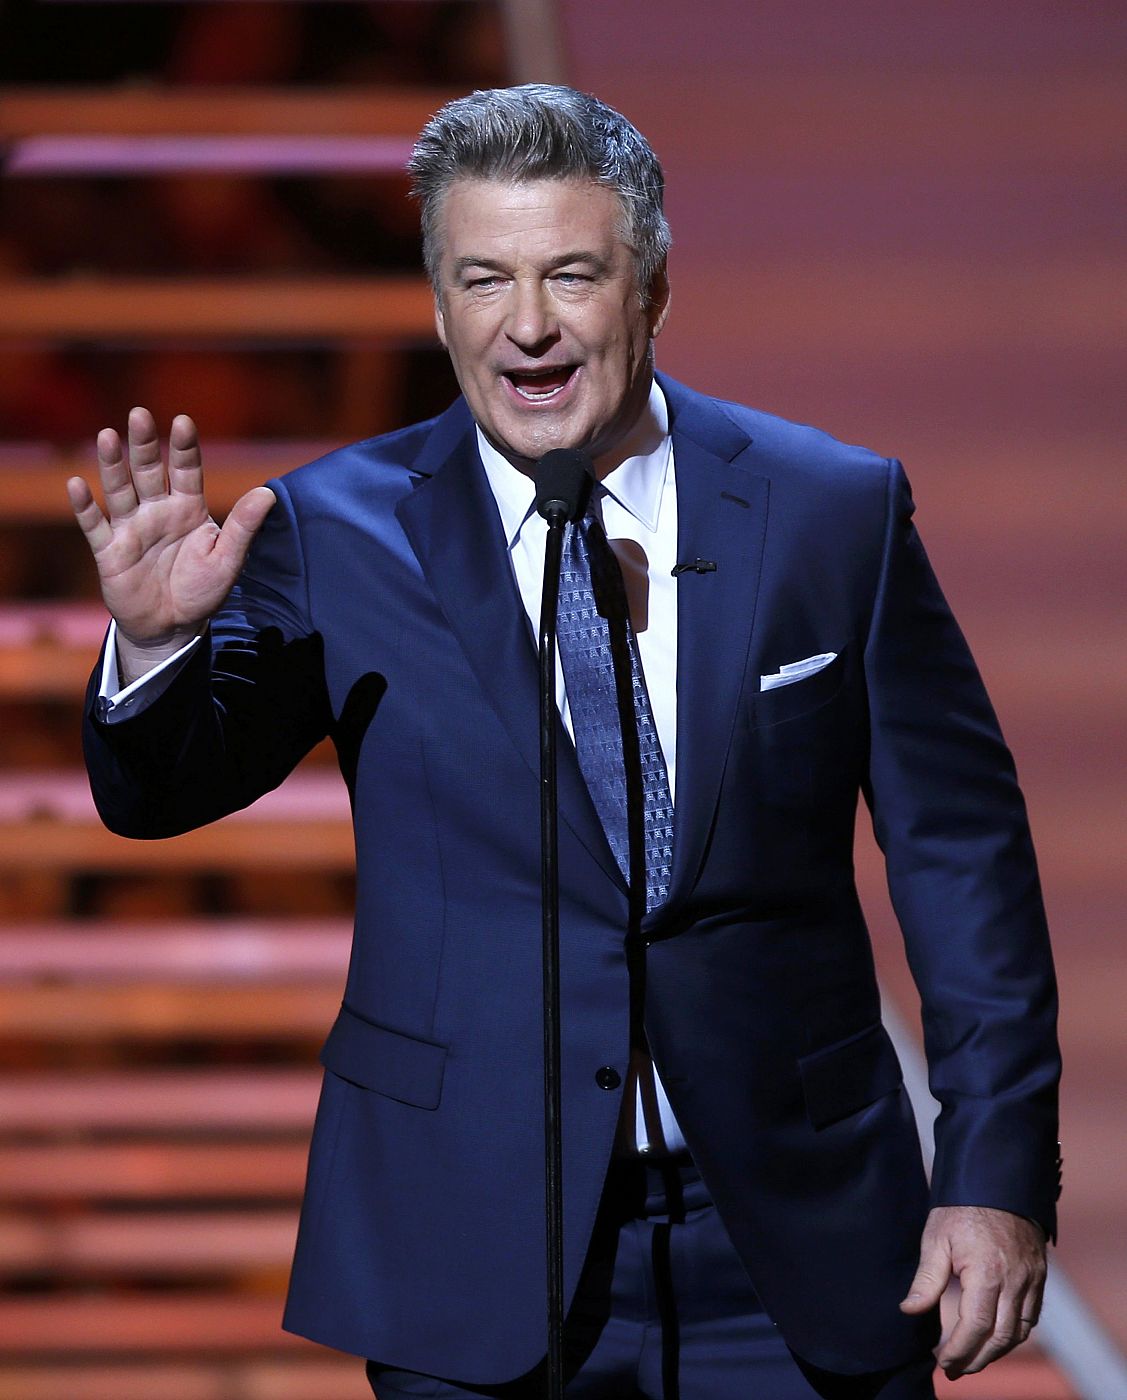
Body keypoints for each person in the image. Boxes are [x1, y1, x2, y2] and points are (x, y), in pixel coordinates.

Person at [71, 85, 1060, 1399]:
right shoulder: (333, 529)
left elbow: (962, 856)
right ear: (438, 308)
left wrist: (994, 1176)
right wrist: (156, 648)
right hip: (473, 1242)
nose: (525, 324)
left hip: (794, 1239)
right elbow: (163, 797)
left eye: (569, 275)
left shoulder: (833, 511)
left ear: (649, 288)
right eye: (483, 279)